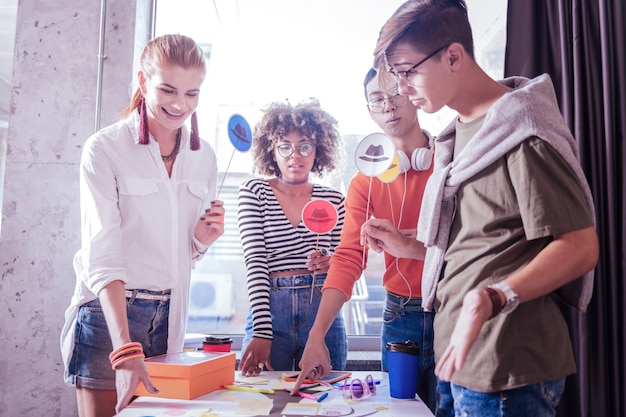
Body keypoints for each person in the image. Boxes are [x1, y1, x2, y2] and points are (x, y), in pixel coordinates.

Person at [365, 1, 599, 416]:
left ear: (453, 56)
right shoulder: (457, 139)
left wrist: (496, 295)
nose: (401, 88)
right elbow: (483, 242)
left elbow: (580, 246)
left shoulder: (523, 132)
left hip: (506, 368)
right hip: (458, 361)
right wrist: (411, 248)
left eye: (407, 71)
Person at [60, 34, 225, 417]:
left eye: (191, 93)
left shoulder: (206, 158)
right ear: (142, 81)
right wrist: (125, 347)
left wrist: (199, 243)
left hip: (170, 316)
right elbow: (102, 251)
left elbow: (179, 252)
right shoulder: (104, 149)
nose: (179, 104)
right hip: (109, 315)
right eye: (167, 89)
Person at [293, 68, 436, 411]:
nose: (388, 106)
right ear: (369, 110)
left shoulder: (448, 163)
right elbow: (347, 258)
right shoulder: (363, 182)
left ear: (413, 94)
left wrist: (413, 247)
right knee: (403, 411)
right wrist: (317, 335)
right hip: (400, 315)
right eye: (377, 100)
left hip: (453, 306)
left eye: (395, 95)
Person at [236, 98, 348, 376]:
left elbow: (346, 264)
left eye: (304, 147)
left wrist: (331, 262)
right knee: (261, 403)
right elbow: (255, 260)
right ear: (271, 151)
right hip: (271, 314)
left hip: (322, 312)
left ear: (317, 150)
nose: (294, 156)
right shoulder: (254, 191)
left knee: (326, 402)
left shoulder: (334, 199)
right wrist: (262, 330)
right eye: (284, 146)